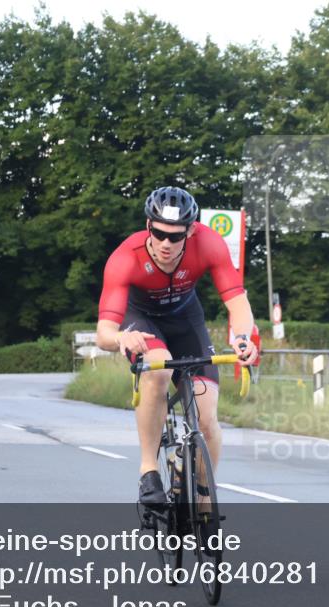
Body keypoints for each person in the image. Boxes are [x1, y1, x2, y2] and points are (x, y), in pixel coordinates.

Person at [96, 186, 258, 508]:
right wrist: (120, 339)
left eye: (176, 236)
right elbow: (103, 332)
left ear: (191, 231)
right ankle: (149, 471)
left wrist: (242, 338)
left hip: (186, 320)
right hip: (141, 322)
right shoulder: (125, 259)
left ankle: (199, 493)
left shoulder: (209, 243)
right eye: (159, 233)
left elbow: (237, 301)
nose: (166, 243)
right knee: (158, 366)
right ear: (148, 226)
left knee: (207, 418)